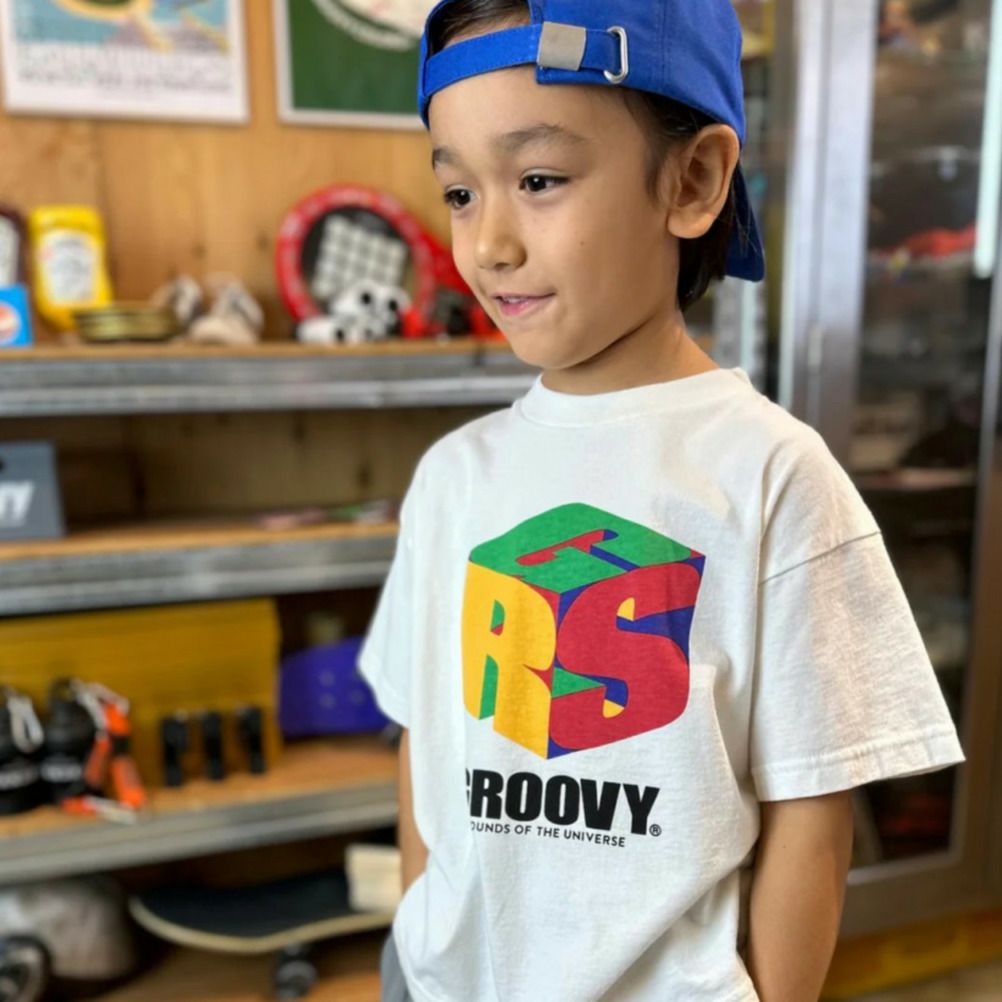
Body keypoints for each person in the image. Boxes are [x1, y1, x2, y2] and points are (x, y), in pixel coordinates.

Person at [358, 2, 965, 1000]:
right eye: (460, 192)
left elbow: (812, 811)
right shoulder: (453, 476)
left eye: (538, 180)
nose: (489, 244)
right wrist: (425, 943)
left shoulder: (774, 476)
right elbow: (427, 741)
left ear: (693, 182)